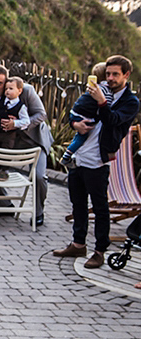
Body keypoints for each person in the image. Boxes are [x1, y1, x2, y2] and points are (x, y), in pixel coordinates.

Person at [54, 55, 139, 268]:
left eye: (115, 74)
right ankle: (78, 243)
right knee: (78, 203)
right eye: (108, 74)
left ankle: (100, 250)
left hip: (98, 161)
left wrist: (102, 101)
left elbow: (113, 121)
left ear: (126, 75)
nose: (110, 78)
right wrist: (76, 125)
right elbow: (73, 112)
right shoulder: (95, 92)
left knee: (100, 207)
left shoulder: (131, 102)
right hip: (79, 156)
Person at [0, 65, 51, 224]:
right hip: (7, 142)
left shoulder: (26, 90)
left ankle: (38, 213)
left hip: (33, 139)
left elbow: (42, 114)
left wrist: (17, 124)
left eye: (0, 83)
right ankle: (4, 206)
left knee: (39, 176)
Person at [60, 63, 112, 168]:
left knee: (78, 136)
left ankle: (67, 155)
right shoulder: (106, 90)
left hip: (76, 113)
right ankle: (66, 157)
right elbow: (108, 106)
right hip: (83, 118)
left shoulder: (93, 88)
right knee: (81, 137)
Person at [0, 76, 30, 179]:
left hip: (9, 135)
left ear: (19, 91)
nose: (7, 91)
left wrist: (15, 123)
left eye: (11, 89)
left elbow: (26, 121)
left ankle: (4, 170)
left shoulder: (21, 107)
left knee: (6, 150)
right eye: (6, 89)